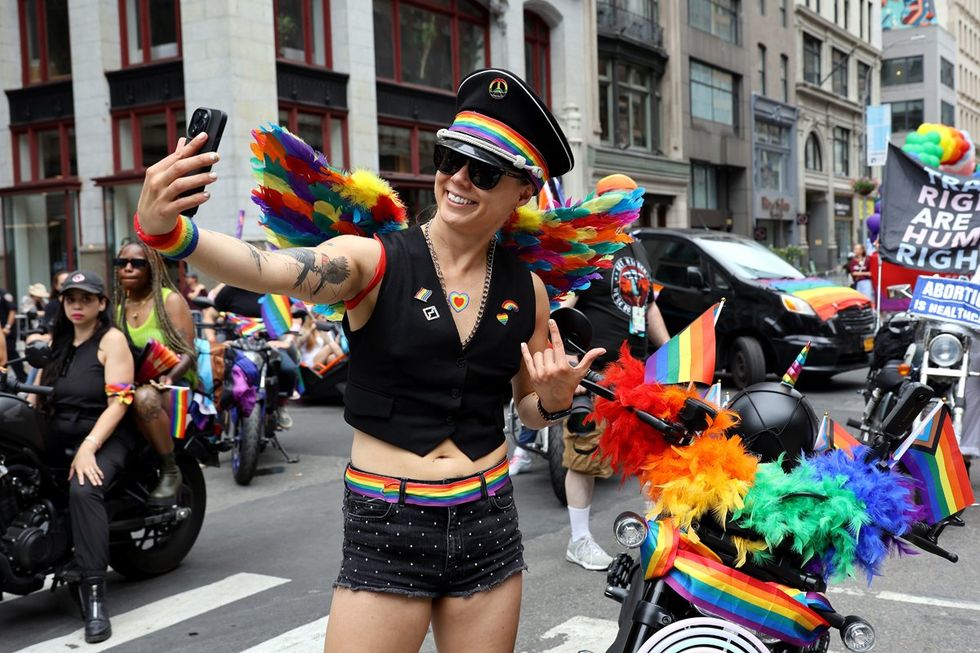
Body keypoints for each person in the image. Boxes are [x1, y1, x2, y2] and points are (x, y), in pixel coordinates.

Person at [135, 68, 605, 653]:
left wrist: (555, 401)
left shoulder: (528, 291)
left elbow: (529, 410)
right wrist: (171, 235)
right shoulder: (371, 261)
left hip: (488, 523)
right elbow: (268, 269)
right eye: (449, 157)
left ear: (524, 190)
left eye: (483, 171)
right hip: (389, 524)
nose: (458, 179)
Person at [556, 177, 669, 571]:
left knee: (650, 454)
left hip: (637, 372)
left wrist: (669, 354)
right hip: (596, 371)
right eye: (617, 201)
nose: (626, 208)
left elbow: (648, 305)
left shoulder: (636, 245)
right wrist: (563, 354)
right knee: (584, 455)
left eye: (631, 201)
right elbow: (564, 303)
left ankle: (656, 536)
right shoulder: (590, 245)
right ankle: (579, 540)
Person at [34, 270, 135, 644]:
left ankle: (94, 594)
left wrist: (89, 446)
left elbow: (121, 401)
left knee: (82, 488)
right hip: (61, 431)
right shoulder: (58, 342)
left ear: (101, 304)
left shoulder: (111, 340)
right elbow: (37, 394)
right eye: (71, 299)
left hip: (105, 434)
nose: (77, 305)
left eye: (86, 299)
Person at [113, 241, 197, 505]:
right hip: (133, 383)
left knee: (145, 398)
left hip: (171, 384)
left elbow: (187, 352)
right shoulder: (119, 308)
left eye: (137, 263)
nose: (128, 268)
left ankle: (170, 469)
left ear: (152, 268)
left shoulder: (169, 300)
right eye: (122, 263)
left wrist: (169, 377)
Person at [205, 281, 301, 425]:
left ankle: (280, 407)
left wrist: (287, 341)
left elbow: (296, 317)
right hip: (234, 345)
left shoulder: (276, 290)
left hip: (270, 345)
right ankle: (213, 411)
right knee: (210, 370)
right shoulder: (230, 290)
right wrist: (213, 341)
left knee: (288, 369)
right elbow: (209, 316)